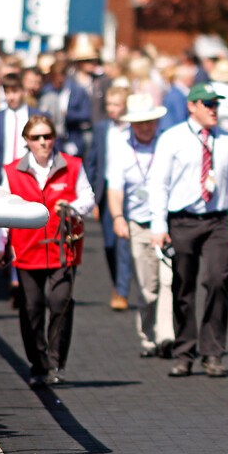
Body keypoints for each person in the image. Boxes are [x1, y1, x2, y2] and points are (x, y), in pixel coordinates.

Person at [148, 83, 228, 378]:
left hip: (216, 220)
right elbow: (158, 182)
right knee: (183, 285)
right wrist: (158, 224)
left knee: (218, 281)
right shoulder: (172, 138)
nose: (214, 109)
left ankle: (213, 353)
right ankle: (184, 351)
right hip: (182, 220)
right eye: (207, 104)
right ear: (192, 106)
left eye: (216, 104)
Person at [0, 114, 95, 388]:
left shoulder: (72, 165)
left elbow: (88, 197)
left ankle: (56, 362)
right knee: (31, 308)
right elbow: (1, 211)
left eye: (47, 136)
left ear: (54, 138)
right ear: (27, 141)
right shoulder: (12, 170)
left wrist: (72, 207)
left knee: (60, 302)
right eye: (36, 137)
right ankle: (37, 363)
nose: (43, 142)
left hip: (63, 248)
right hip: (26, 249)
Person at [106, 94, 175, 359]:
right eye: (140, 123)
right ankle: (148, 335)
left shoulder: (166, 144)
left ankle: (166, 335)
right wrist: (117, 217)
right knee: (148, 288)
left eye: (150, 122)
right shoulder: (121, 148)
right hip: (138, 223)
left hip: (167, 224)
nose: (146, 127)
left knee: (169, 282)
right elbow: (115, 188)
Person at [85, 87, 134, 311]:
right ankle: (117, 282)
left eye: (117, 104)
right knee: (109, 244)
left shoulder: (133, 129)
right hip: (106, 191)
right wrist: (92, 196)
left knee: (123, 241)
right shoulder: (102, 128)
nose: (112, 109)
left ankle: (122, 290)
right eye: (109, 105)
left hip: (128, 191)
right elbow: (93, 161)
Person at [0, 73, 46, 184]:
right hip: (2, 178)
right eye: (7, 92)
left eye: (15, 91)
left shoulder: (38, 117)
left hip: (31, 177)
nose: (11, 97)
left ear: (23, 91)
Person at [39, 60, 91, 158]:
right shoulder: (47, 90)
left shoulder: (78, 91)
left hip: (72, 137)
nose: (57, 81)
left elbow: (86, 114)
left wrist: (67, 115)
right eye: (54, 78)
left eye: (60, 78)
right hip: (53, 140)